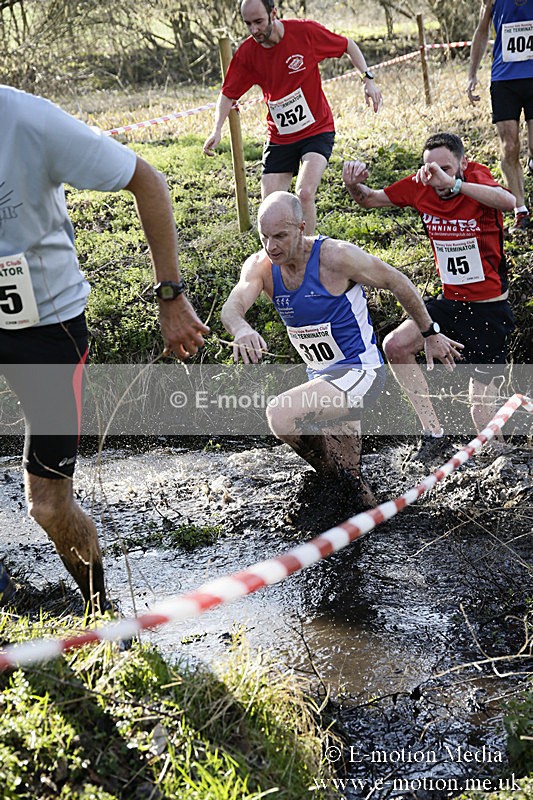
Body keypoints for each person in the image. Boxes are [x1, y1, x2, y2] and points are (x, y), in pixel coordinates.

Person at [0, 84, 209, 612]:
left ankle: (102, 615)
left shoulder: (29, 120)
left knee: (47, 506)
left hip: (43, 327)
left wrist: (170, 295)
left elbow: (148, 180)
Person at [221, 191, 457, 509]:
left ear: (302, 227)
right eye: (265, 236)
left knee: (281, 415)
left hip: (360, 372)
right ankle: (372, 520)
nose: (271, 246)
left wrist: (429, 333)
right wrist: (242, 328)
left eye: (280, 236)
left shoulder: (336, 257)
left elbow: (397, 281)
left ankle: (337, 486)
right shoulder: (262, 266)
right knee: (351, 483)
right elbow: (233, 306)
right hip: (323, 379)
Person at [342, 132, 516, 462]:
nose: (436, 176)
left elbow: (508, 202)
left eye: (446, 168)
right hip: (450, 304)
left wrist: (456, 186)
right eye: (430, 168)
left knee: (481, 416)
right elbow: (368, 198)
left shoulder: (477, 179)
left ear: (463, 163)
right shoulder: (421, 184)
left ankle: (506, 467)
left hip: (489, 310)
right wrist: (353, 184)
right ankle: (434, 434)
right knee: (395, 346)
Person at [203, 0, 382, 234]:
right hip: (280, 136)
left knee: (304, 192)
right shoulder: (248, 53)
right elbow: (227, 94)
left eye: (259, 22)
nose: (254, 30)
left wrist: (367, 79)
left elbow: (348, 45)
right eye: (248, 24)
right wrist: (216, 129)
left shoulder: (304, 33)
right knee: (270, 207)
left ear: (273, 13)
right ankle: (279, 262)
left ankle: (307, 255)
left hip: (316, 129)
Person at [467, 0, 533, 233]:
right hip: (504, 80)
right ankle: (520, 210)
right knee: (509, 146)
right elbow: (482, 30)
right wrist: (472, 74)